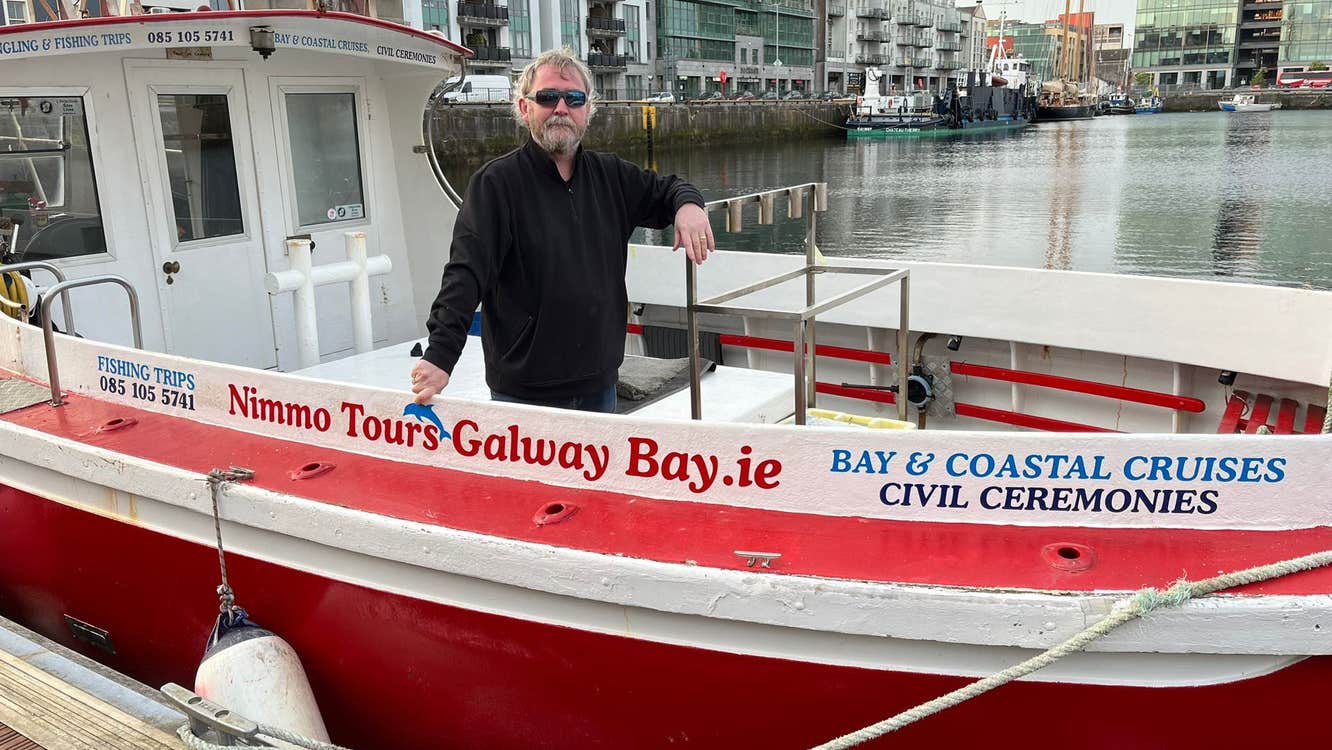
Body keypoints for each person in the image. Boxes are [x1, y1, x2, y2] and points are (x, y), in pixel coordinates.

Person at [410, 48, 714, 412]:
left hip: (600, 384)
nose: (561, 108)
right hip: (523, 392)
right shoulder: (496, 185)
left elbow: (669, 189)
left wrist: (690, 205)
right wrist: (441, 355)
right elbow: (466, 274)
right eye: (548, 97)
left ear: (587, 111)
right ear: (525, 109)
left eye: (573, 99)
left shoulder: (612, 176)